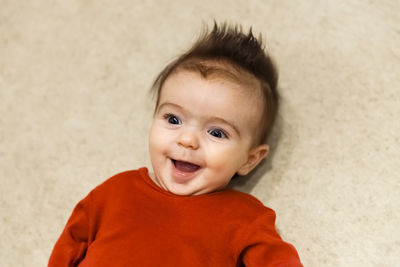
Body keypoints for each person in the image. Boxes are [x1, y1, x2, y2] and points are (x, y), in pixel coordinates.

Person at [48, 22, 303, 266]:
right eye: (173, 119)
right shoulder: (113, 192)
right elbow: (69, 245)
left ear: (249, 159)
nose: (187, 140)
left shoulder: (245, 218)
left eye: (216, 132)